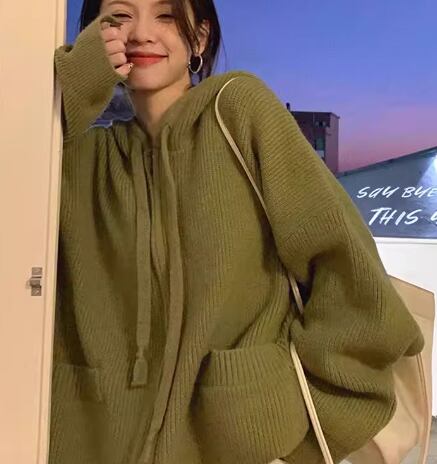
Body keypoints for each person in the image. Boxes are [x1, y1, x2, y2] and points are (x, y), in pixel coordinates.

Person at [50, 0, 424, 463]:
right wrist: (72, 89)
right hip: (93, 446)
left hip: (238, 444)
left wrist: (303, 426)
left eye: (166, 16)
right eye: (119, 17)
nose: (141, 32)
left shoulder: (238, 111)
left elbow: (351, 274)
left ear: (199, 39)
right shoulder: (83, 157)